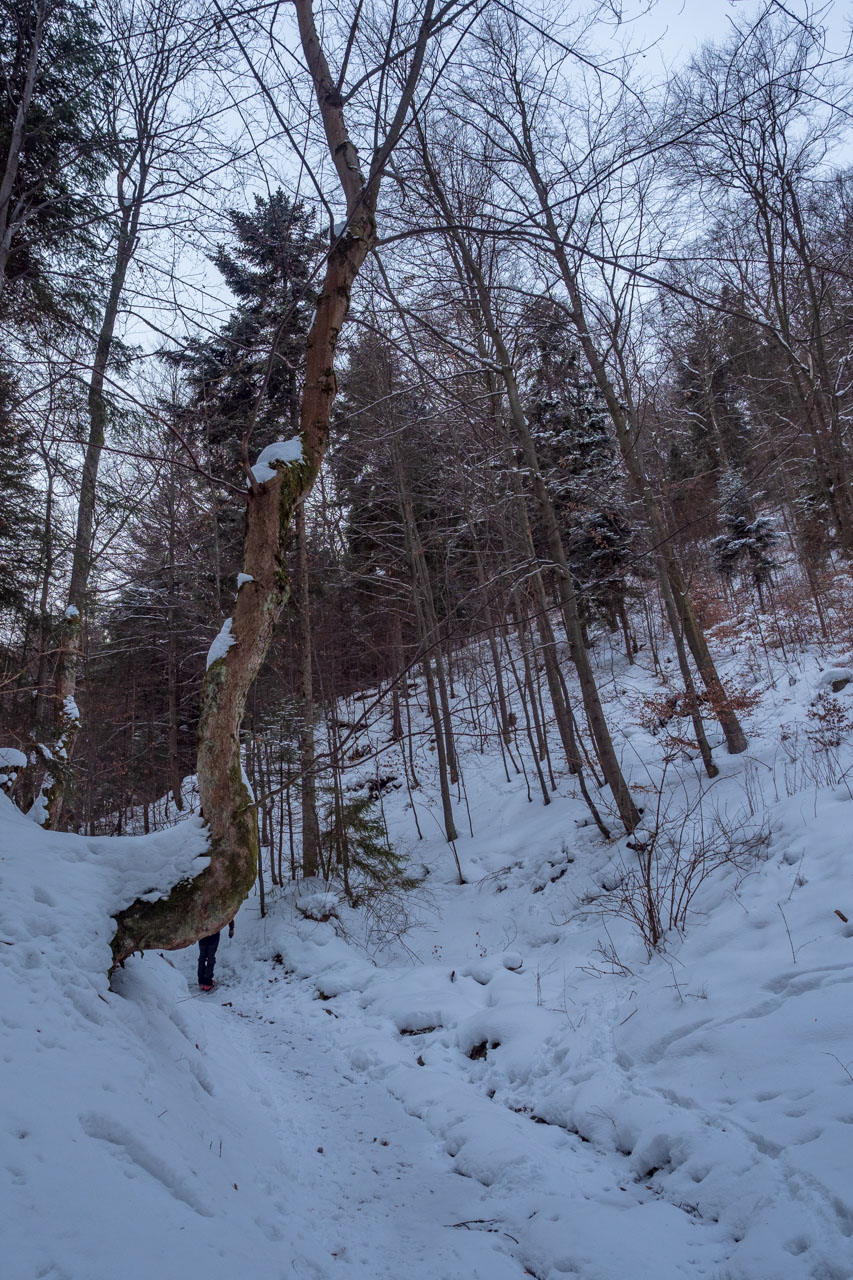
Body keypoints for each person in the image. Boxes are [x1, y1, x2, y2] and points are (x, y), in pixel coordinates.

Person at [197, 918, 234, 991]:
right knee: (211, 957)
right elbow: (227, 914)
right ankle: (207, 982)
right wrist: (231, 928)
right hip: (213, 934)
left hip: (202, 932)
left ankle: (201, 981)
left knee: (202, 956)